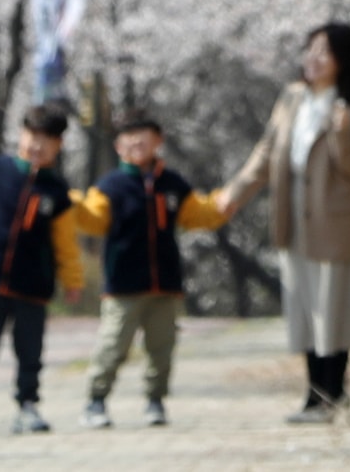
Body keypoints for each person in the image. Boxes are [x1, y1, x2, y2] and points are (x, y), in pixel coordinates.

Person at [224, 21, 350, 423]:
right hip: (292, 217)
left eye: (324, 51)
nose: (314, 58)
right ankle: (315, 396)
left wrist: (342, 132)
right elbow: (267, 151)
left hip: (333, 221)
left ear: (343, 59)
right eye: (311, 49)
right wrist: (234, 193)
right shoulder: (292, 97)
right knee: (305, 309)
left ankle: (331, 394)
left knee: (333, 309)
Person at [71, 108, 232, 430]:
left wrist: (225, 202)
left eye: (143, 136)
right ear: (118, 146)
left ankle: (155, 400)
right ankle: (96, 400)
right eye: (128, 138)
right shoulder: (110, 186)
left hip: (165, 284)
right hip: (123, 285)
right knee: (113, 344)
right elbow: (93, 220)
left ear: (158, 140)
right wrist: (72, 204)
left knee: (162, 348)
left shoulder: (173, 184)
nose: (136, 143)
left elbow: (197, 214)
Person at [0, 106, 84, 437]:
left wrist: (72, 279)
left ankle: (28, 405)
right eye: (32, 136)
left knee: (30, 350)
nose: (38, 146)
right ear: (21, 135)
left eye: (47, 140)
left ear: (59, 145)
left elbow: (65, 242)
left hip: (34, 284)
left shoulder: (57, 191)